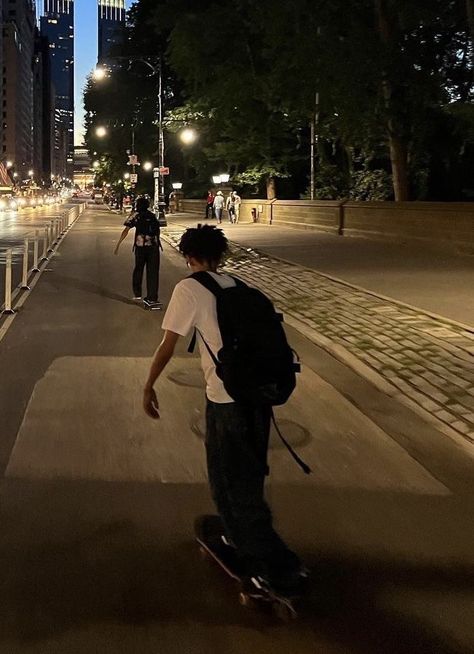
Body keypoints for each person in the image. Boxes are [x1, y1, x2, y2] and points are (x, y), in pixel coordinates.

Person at [143, 224, 305, 596]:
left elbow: (168, 345)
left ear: (189, 256)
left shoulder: (190, 288)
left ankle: (275, 567)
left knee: (230, 483)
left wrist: (148, 385)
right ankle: (241, 538)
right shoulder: (240, 287)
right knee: (245, 479)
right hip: (259, 397)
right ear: (221, 255)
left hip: (227, 401)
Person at [114, 196, 161, 305]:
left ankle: (137, 293)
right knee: (153, 272)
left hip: (140, 247)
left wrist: (118, 244)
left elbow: (126, 229)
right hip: (154, 247)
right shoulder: (152, 215)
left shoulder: (136, 215)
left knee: (138, 270)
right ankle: (152, 297)